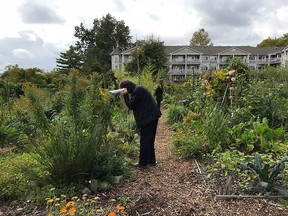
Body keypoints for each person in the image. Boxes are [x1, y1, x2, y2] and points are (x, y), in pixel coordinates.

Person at [120, 80, 161, 169]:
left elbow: (131, 106)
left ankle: (143, 164)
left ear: (127, 88)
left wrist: (125, 95)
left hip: (149, 118)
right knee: (149, 140)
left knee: (144, 140)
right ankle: (151, 161)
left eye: (124, 89)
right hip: (152, 116)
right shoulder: (138, 88)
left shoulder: (137, 90)